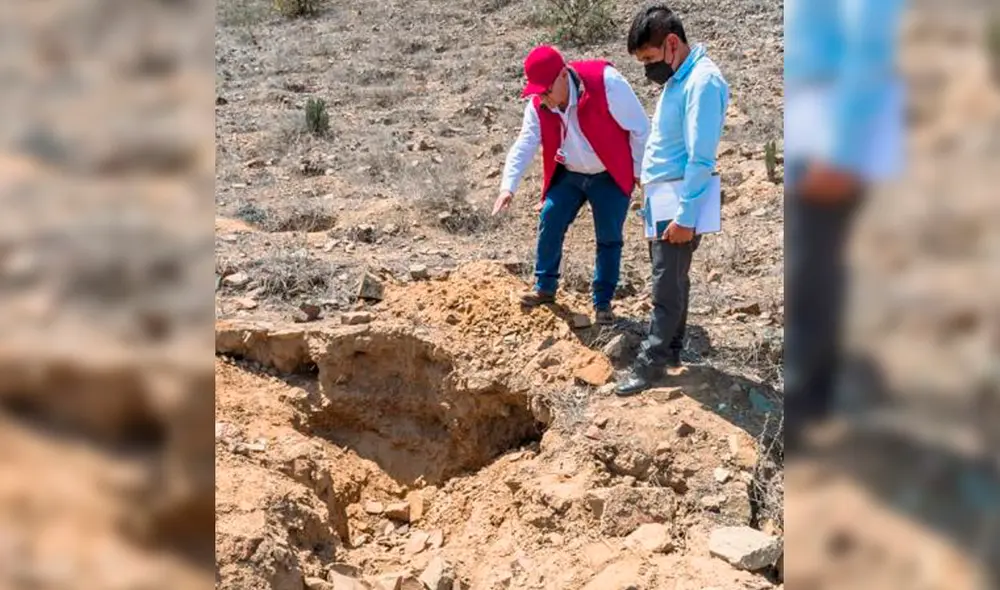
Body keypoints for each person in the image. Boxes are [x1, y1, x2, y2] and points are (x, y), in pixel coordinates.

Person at [783, 0, 904, 452]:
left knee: (811, 269)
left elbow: (869, 50)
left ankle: (806, 401)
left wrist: (841, 151)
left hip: (830, 137)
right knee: (816, 265)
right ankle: (816, 394)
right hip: (815, 128)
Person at [615, 4, 729, 396]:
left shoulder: (702, 82)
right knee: (673, 279)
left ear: (672, 44)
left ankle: (652, 363)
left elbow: (701, 158)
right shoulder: (679, 79)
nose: (648, 69)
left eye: (649, 59)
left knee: (665, 285)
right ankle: (673, 350)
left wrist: (685, 217)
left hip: (678, 203)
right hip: (663, 199)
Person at [493, 45, 650, 325]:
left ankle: (602, 303)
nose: (543, 98)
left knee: (609, 237)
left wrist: (639, 171)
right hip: (569, 174)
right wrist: (508, 187)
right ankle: (544, 287)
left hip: (610, 173)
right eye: (537, 92)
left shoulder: (607, 83)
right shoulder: (539, 104)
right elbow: (525, 143)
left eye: (546, 90)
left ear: (564, 75)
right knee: (550, 218)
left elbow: (640, 128)